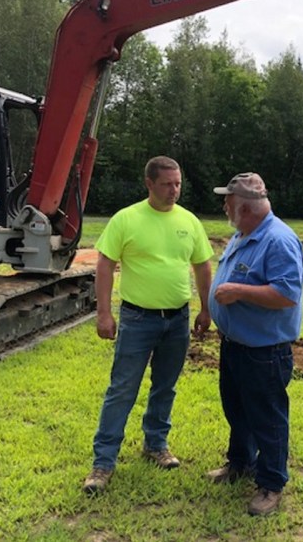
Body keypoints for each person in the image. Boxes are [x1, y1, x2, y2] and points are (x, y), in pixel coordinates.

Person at [83, 156, 214, 495]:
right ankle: (103, 463)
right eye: (167, 184)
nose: (174, 190)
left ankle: (156, 444)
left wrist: (205, 308)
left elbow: (201, 267)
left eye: (178, 183)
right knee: (122, 389)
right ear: (149, 184)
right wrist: (104, 313)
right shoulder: (127, 219)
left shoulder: (189, 222)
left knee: (165, 387)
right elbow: (105, 265)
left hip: (177, 319)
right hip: (137, 319)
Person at [206, 172, 303, 516]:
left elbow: (287, 294)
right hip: (235, 344)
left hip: (264, 352)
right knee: (238, 412)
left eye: (228, 202)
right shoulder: (243, 234)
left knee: (267, 418)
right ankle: (239, 464)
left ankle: (271, 484)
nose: (224, 207)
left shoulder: (278, 240)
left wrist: (238, 292)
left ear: (244, 207)